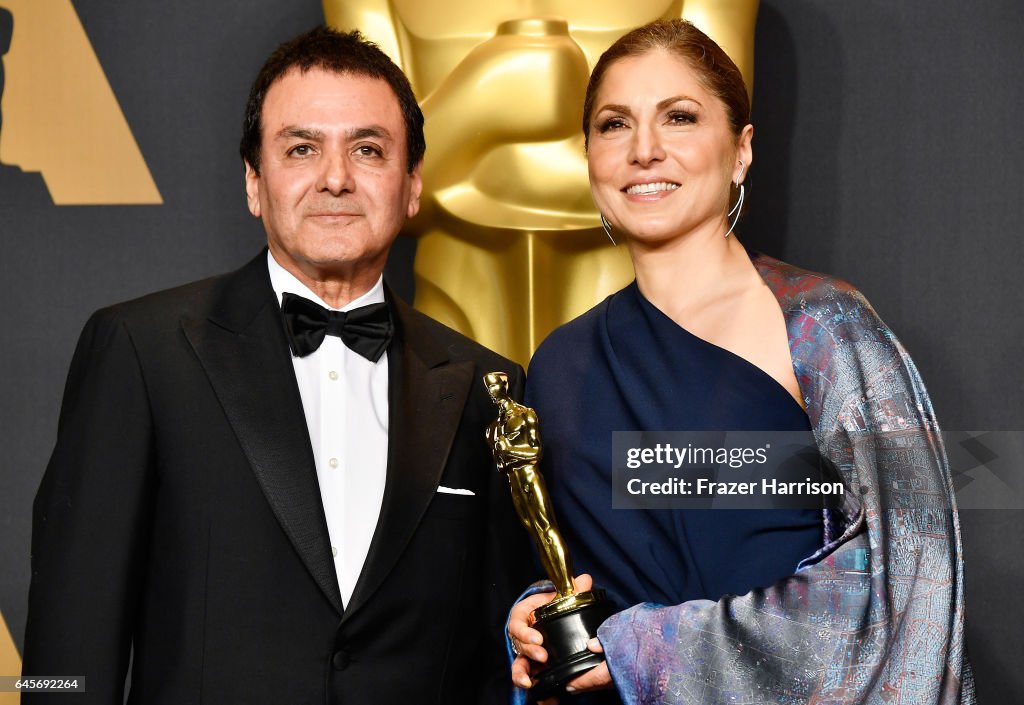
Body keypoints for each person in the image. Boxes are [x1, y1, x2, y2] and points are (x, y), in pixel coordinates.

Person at [23, 26, 531, 705]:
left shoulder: (485, 386)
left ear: (412, 187)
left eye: (369, 149)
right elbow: (68, 647)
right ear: (254, 183)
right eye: (301, 148)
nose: (335, 178)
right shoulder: (140, 352)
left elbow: (501, 659)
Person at [508, 19, 973, 705]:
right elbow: (577, 573)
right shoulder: (559, 365)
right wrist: (533, 613)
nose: (644, 150)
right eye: (614, 124)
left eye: (681, 117)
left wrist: (652, 647)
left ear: (741, 151)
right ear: (588, 156)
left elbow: (910, 579)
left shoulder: (823, 328)